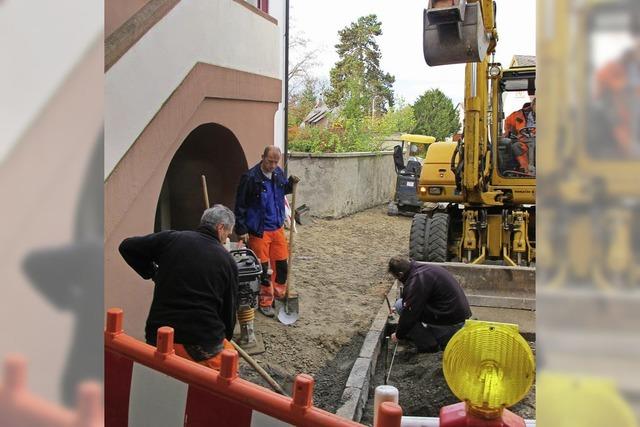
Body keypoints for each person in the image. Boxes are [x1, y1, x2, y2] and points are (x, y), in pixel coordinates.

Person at [118, 205, 238, 370]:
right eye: (227, 234)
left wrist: (153, 273)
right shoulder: (227, 261)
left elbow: (127, 247)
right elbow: (229, 313)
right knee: (228, 365)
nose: (225, 240)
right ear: (220, 227)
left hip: (158, 336)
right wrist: (224, 337)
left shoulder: (172, 239)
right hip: (198, 344)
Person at [234, 146, 300, 317]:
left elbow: (282, 190)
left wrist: (291, 184)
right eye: (269, 161)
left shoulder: (278, 173)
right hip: (259, 230)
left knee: (281, 265)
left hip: (277, 227)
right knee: (263, 269)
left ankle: (279, 294)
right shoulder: (250, 178)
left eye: (275, 162)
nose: (272, 165)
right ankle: (265, 301)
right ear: (262, 157)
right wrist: (241, 229)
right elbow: (240, 205)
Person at [388, 256, 471, 353]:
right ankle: (431, 332)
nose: (399, 281)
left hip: (452, 323)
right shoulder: (422, 269)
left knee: (403, 309)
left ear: (401, 274)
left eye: (397, 278)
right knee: (401, 305)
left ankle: (429, 345)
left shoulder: (417, 280)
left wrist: (398, 335)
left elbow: (410, 314)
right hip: (456, 315)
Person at [503, 98, 536, 173]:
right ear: (533, 105)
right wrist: (508, 133)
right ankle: (525, 169)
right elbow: (508, 123)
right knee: (516, 146)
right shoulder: (519, 115)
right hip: (525, 142)